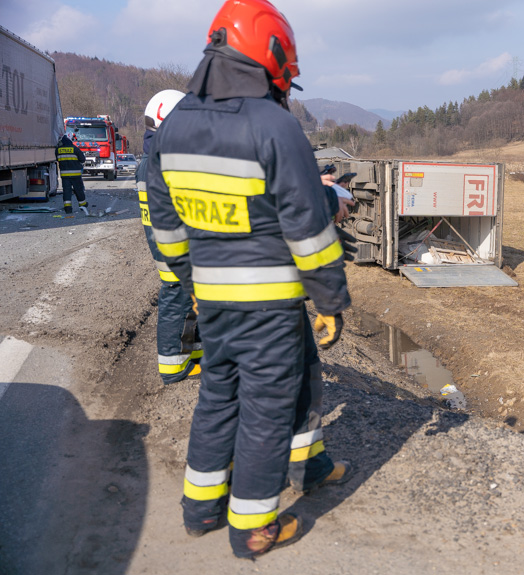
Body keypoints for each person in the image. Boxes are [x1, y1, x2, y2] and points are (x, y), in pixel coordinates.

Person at [146, 0, 354, 559]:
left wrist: (195, 281)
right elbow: (308, 229)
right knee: (265, 411)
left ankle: (199, 510)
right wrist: (331, 300)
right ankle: (253, 530)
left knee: (217, 398)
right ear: (270, 54)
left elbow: (167, 233)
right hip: (271, 309)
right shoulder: (275, 126)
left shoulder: (172, 129)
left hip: (212, 303)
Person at [137, 89, 203, 384]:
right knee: (176, 297)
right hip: (171, 244)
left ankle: (194, 356)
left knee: (189, 299)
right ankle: (172, 365)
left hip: (168, 241)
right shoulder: (161, 162)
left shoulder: (156, 157)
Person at [55, 134, 89, 214]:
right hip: (76, 175)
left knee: (67, 192)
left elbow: (57, 159)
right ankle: (83, 205)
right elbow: (82, 159)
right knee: (79, 190)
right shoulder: (75, 149)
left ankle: (68, 208)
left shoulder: (58, 150)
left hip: (65, 176)